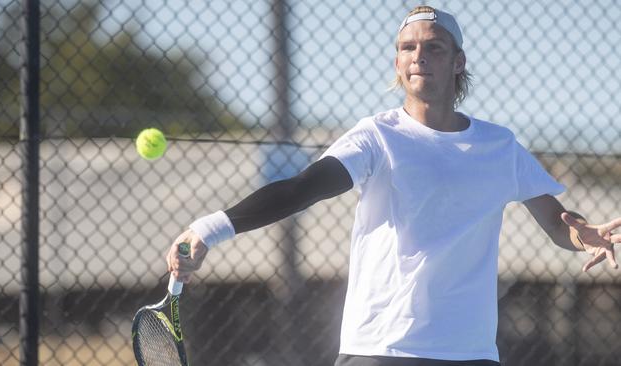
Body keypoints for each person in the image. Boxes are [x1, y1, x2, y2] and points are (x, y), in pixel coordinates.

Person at [166, 5, 621, 366]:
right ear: (398, 63)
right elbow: (302, 188)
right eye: (407, 47)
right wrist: (207, 229)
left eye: (433, 47)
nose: (418, 55)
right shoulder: (376, 137)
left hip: (471, 353)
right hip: (381, 349)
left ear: (458, 62)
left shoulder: (499, 146)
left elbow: (560, 223)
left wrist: (588, 236)